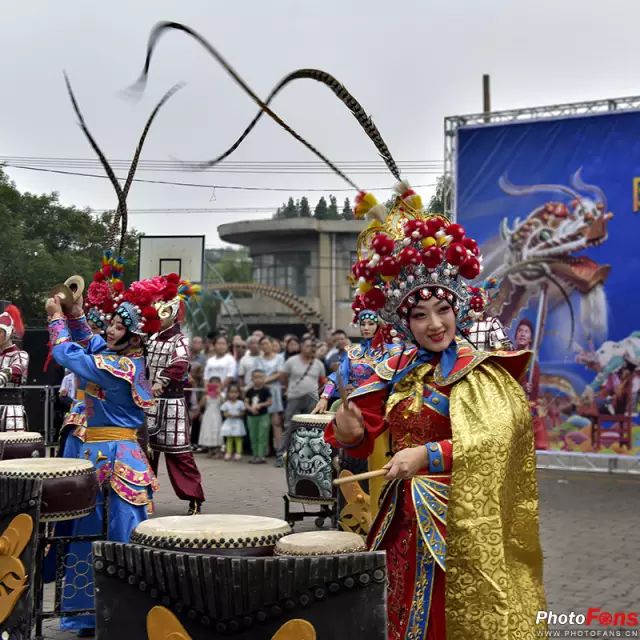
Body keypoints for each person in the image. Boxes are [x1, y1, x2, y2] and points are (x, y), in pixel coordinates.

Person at [325, 184, 546, 639]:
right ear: (405, 323)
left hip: (461, 521)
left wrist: (428, 456)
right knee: (402, 615)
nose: (435, 324)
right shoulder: (398, 368)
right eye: (420, 315)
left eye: (442, 309)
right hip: (402, 520)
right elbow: (361, 432)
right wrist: (347, 431)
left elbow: (498, 439)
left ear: (456, 308)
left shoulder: (481, 370)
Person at [46, 278, 162, 636]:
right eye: (111, 323)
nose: (110, 330)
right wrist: (77, 313)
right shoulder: (117, 358)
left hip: (115, 458)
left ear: (135, 337)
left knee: (119, 535)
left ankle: (123, 614)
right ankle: (89, 614)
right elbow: (90, 342)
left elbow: (70, 354)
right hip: (101, 456)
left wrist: (55, 319)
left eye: (118, 326)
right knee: (89, 533)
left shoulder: (120, 368)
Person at [145, 275, 205, 516]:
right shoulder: (150, 338)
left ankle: (194, 498)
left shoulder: (180, 340)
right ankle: (143, 497)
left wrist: (161, 380)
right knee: (145, 454)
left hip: (171, 403)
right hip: (149, 403)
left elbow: (180, 363)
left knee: (179, 454)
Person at [278, 338, 326, 463]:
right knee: (289, 425)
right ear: (301, 347)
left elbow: (323, 381)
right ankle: (282, 454)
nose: (311, 348)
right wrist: (288, 389)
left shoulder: (318, 364)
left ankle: (305, 457)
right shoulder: (291, 361)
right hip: (294, 397)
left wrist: (319, 394)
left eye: (313, 346)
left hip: (312, 399)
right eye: (308, 346)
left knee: (310, 428)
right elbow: (283, 376)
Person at [514, 317, 549, 449]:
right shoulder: (510, 358)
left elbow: (534, 391)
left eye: (526, 332)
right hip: (513, 411)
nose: (522, 334)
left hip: (529, 413)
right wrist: (520, 387)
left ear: (530, 338)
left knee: (538, 448)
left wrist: (528, 388)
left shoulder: (533, 363)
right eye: (520, 331)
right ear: (516, 335)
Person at [0, 305, 29, 432]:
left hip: (11, 408)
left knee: (11, 447)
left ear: (9, 332)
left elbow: (15, 370)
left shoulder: (20, 354)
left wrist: (3, 376)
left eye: (0, 332)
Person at [257, 335, 285, 461]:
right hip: (261, 392)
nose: (264, 346)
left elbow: (279, 373)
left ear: (271, 343)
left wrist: (265, 379)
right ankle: (264, 450)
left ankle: (279, 450)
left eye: (266, 343)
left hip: (274, 391)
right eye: (262, 344)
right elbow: (256, 374)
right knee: (263, 422)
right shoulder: (258, 359)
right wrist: (264, 380)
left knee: (276, 422)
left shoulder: (279, 358)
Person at [244, 369, 272, 463]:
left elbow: (269, 402)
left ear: (264, 378)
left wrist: (260, 405)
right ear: (251, 378)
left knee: (262, 435)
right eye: (255, 377)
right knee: (253, 435)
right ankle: (255, 455)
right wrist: (250, 408)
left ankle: (261, 455)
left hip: (263, 416)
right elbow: (246, 403)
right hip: (251, 417)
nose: (258, 379)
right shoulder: (249, 391)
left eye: (260, 377)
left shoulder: (266, 390)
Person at [220, 383, 246, 461]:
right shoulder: (226, 403)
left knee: (238, 438)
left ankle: (238, 453)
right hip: (229, 422)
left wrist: (238, 415)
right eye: (231, 392)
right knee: (229, 438)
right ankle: (229, 452)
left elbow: (243, 412)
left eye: (235, 392)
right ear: (228, 393)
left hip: (238, 422)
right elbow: (224, 413)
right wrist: (228, 414)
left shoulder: (240, 403)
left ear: (238, 393)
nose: (233, 394)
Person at [198, 376, 223, 457]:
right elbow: (201, 405)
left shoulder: (221, 395)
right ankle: (210, 450)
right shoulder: (206, 395)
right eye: (212, 382)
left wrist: (219, 393)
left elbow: (224, 404)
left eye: (217, 382)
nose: (214, 383)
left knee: (217, 430)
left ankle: (218, 450)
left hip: (217, 415)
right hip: (208, 416)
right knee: (208, 430)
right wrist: (205, 394)